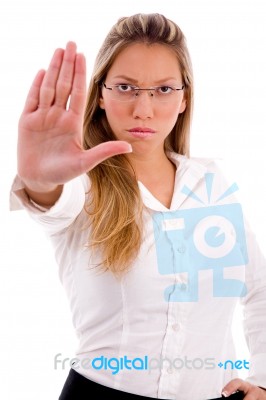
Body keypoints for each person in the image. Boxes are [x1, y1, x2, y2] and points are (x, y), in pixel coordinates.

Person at [10, 12, 266, 400]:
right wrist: (41, 178)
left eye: (163, 90)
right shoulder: (82, 184)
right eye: (126, 87)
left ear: (184, 98)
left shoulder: (210, 185)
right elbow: (52, 201)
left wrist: (263, 380)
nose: (143, 110)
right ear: (100, 94)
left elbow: (258, 289)